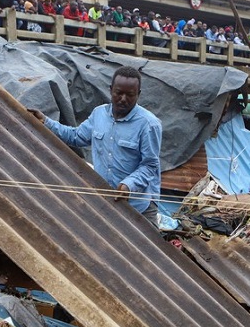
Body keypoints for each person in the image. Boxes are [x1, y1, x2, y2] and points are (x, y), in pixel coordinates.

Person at [28, 66, 162, 224]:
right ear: (111, 90)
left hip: (138, 207)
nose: (123, 99)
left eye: (130, 95)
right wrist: (46, 122)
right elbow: (76, 136)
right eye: (119, 93)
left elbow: (150, 165)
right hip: (107, 203)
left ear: (138, 95)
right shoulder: (99, 114)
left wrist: (129, 185)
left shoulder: (149, 124)